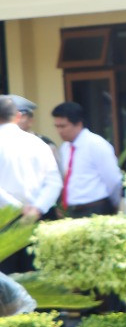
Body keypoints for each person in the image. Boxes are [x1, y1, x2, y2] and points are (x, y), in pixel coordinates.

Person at [0, 95, 63, 274]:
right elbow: (54, 182)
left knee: (8, 285)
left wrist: (18, 209)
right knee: (40, 278)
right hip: (38, 219)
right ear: (18, 116)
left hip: (5, 221)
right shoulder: (38, 143)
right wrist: (36, 209)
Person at [52, 102, 122, 216]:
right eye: (57, 126)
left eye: (63, 126)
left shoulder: (96, 144)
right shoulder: (65, 148)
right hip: (73, 210)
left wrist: (113, 204)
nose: (59, 131)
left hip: (96, 207)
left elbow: (113, 179)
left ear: (78, 124)